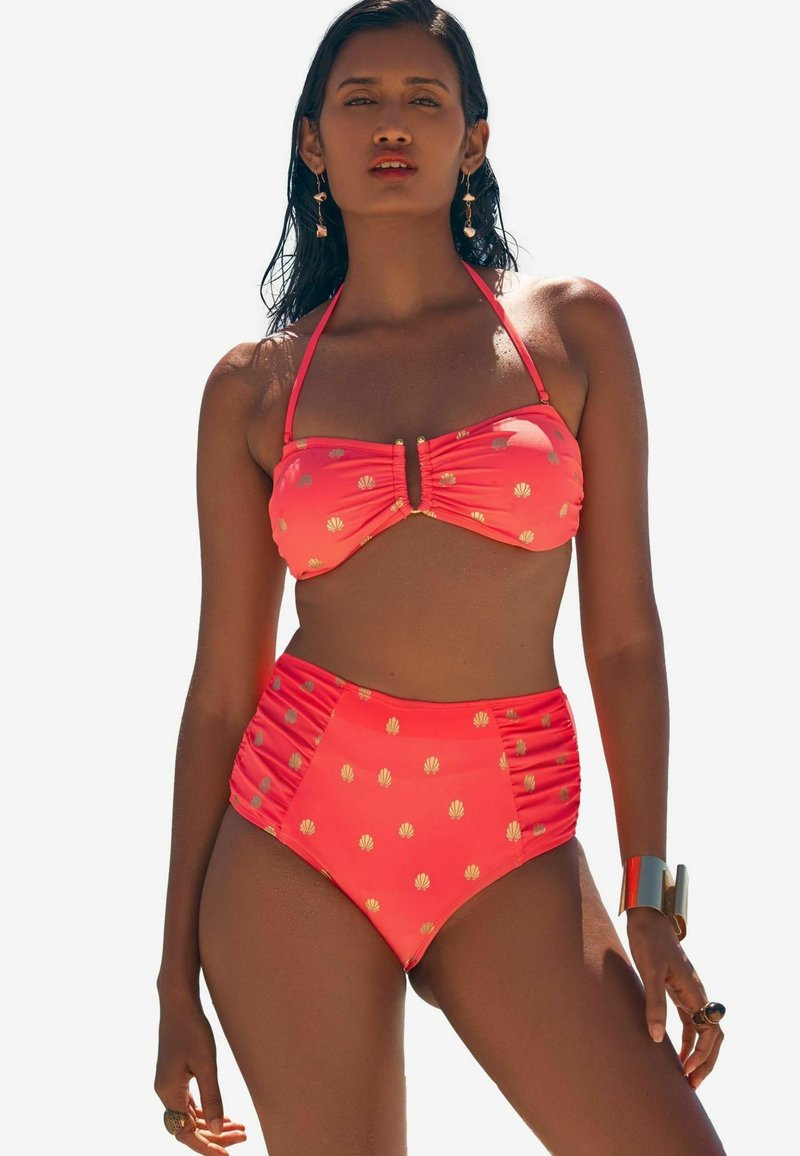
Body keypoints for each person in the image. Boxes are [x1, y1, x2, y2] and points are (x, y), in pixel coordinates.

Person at [154, 2, 727, 1152]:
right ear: (311, 140)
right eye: (358, 99)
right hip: (290, 841)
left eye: (424, 99)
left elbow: (624, 641)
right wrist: (173, 984)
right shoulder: (252, 390)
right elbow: (221, 692)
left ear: (473, 138)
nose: (392, 124)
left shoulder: (572, 333)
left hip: (510, 837)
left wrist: (652, 895)